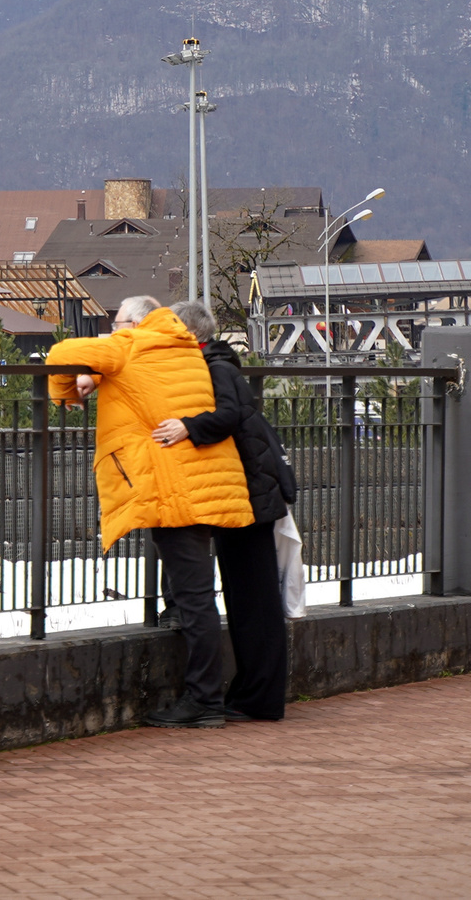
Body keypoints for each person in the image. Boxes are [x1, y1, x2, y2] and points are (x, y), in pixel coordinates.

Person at [47, 293, 252, 728]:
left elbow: (60, 351)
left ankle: (205, 700)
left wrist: (69, 391)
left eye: (117, 322)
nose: (113, 330)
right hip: (204, 483)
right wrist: (96, 377)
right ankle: (206, 697)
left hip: (170, 487)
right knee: (197, 596)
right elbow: (146, 388)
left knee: (195, 600)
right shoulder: (182, 349)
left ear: (137, 324)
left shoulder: (130, 346)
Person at [151, 301, 294, 722]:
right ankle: (254, 695)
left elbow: (228, 415)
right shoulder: (216, 362)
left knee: (255, 600)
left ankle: (260, 698)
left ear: (189, 335)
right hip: (244, 492)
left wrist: (188, 427)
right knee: (249, 596)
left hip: (248, 496)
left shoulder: (215, 366)